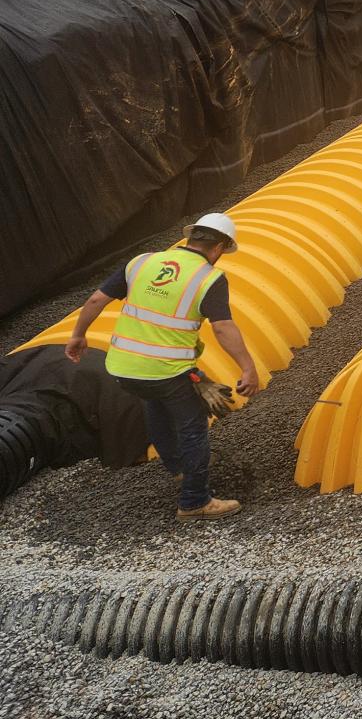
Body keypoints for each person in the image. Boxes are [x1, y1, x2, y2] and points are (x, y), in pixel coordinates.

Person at [64, 213, 259, 520]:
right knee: (193, 428)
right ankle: (195, 500)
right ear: (220, 247)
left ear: (191, 237)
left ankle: (180, 469)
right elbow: (222, 327)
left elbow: (94, 301)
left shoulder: (141, 262)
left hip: (122, 367)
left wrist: (78, 336)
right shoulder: (209, 278)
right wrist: (247, 368)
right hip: (166, 370)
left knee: (155, 409)